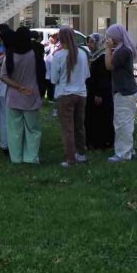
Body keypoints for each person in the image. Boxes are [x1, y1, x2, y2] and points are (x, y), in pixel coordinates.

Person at [0, 27, 44, 164]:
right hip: (32, 95)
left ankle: (16, 158)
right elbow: (42, 74)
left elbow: (3, 76)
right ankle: (31, 157)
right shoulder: (35, 54)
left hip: (13, 96)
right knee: (33, 130)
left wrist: (17, 86)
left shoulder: (10, 55)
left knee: (14, 130)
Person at [48, 25, 90, 167]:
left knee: (67, 127)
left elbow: (53, 79)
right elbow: (87, 75)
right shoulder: (83, 54)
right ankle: (81, 154)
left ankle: (69, 158)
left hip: (65, 94)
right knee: (79, 125)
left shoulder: (59, 56)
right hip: (81, 93)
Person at [105, 24, 137, 163]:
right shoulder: (124, 49)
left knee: (122, 123)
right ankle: (129, 150)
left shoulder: (122, 51)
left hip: (124, 91)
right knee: (126, 122)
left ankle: (123, 154)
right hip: (127, 90)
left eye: (110, 36)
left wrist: (108, 49)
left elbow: (109, 66)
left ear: (116, 37)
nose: (108, 39)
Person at [85, 33, 114, 150]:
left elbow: (103, 77)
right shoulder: (92, 55)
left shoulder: (102, 57)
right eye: (88, 42)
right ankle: (92, 142)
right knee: (92, 117)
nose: (89, 44)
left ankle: (103, 143)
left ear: (98, 43)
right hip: (91, 91)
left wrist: (99, 93)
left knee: (102, 118)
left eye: (92, 42)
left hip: (101, 93)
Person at [0, 24, 14, 152]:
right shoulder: (11, 52)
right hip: (7, 87)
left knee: (5, 117)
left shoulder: (10, 53)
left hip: (5, 86)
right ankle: (7, 143)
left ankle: (6, 143)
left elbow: (5, 72)